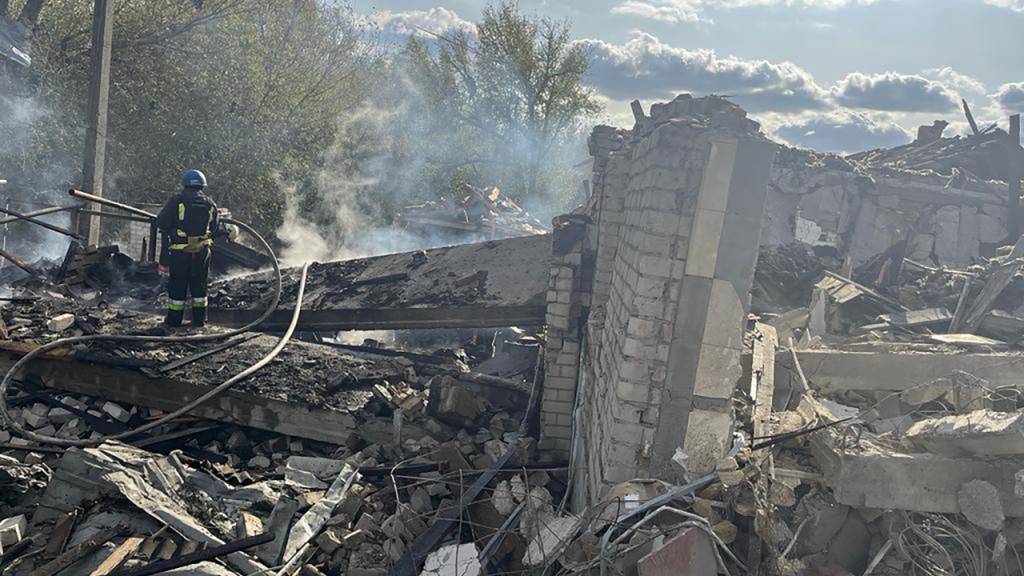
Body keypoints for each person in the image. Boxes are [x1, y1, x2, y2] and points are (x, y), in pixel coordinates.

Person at [156, 169, 223, 327]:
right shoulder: (209, 203)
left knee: (178, 285)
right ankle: (199, 321)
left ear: (184, 184)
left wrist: (173, 231)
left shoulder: (176, 201)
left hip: (180, 252)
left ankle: (174, 321)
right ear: (202, 186)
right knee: (199, 286)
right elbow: (214, 228)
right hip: (202, 252)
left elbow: (161, 222)